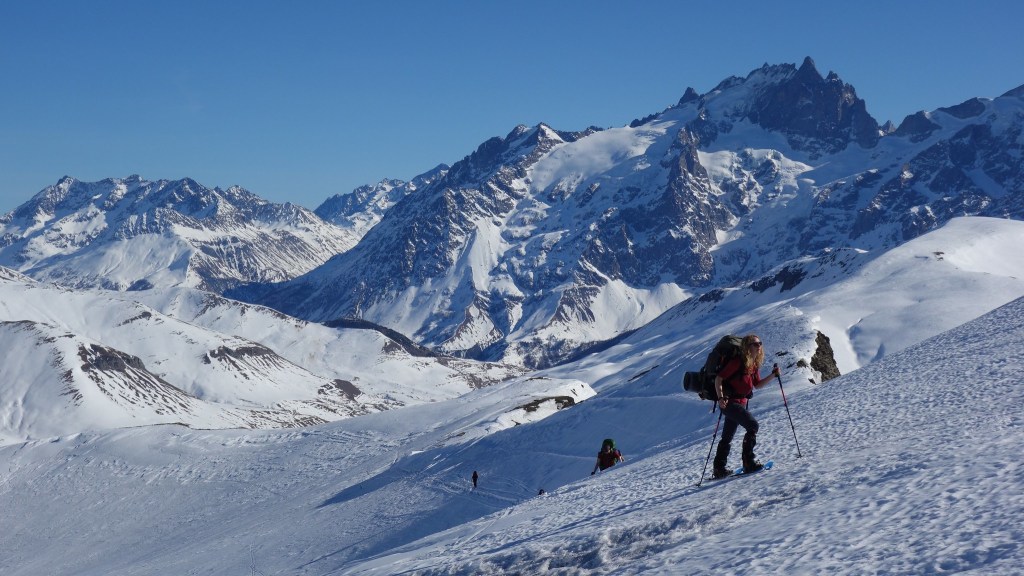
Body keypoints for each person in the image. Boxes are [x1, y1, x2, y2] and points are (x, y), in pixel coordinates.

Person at [712, 334, 781, 479]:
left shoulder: (753, 364)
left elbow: (757, 385)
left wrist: (773, 375)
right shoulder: (738, 362)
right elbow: (719, 379)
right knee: (752, 425)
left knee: (727, 436)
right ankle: (748, 462)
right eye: (755, 344)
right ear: (747, 346)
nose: (759, 346)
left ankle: (719, 468)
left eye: (760, 344)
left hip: (740, 404)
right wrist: (720, 398)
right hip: (729, 403)